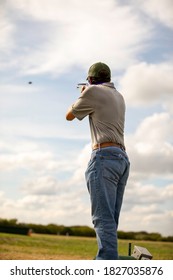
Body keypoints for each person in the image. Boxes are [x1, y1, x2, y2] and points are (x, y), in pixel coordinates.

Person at [66, 62, 130, 260]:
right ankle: (104, 260)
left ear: (91, 79)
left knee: (102, 219)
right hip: (122, 159)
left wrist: (83, 93)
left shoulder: (92, 91)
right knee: (110, 219)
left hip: (104, 157)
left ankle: (105, 266)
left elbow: (69, 116)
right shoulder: (119, 96)